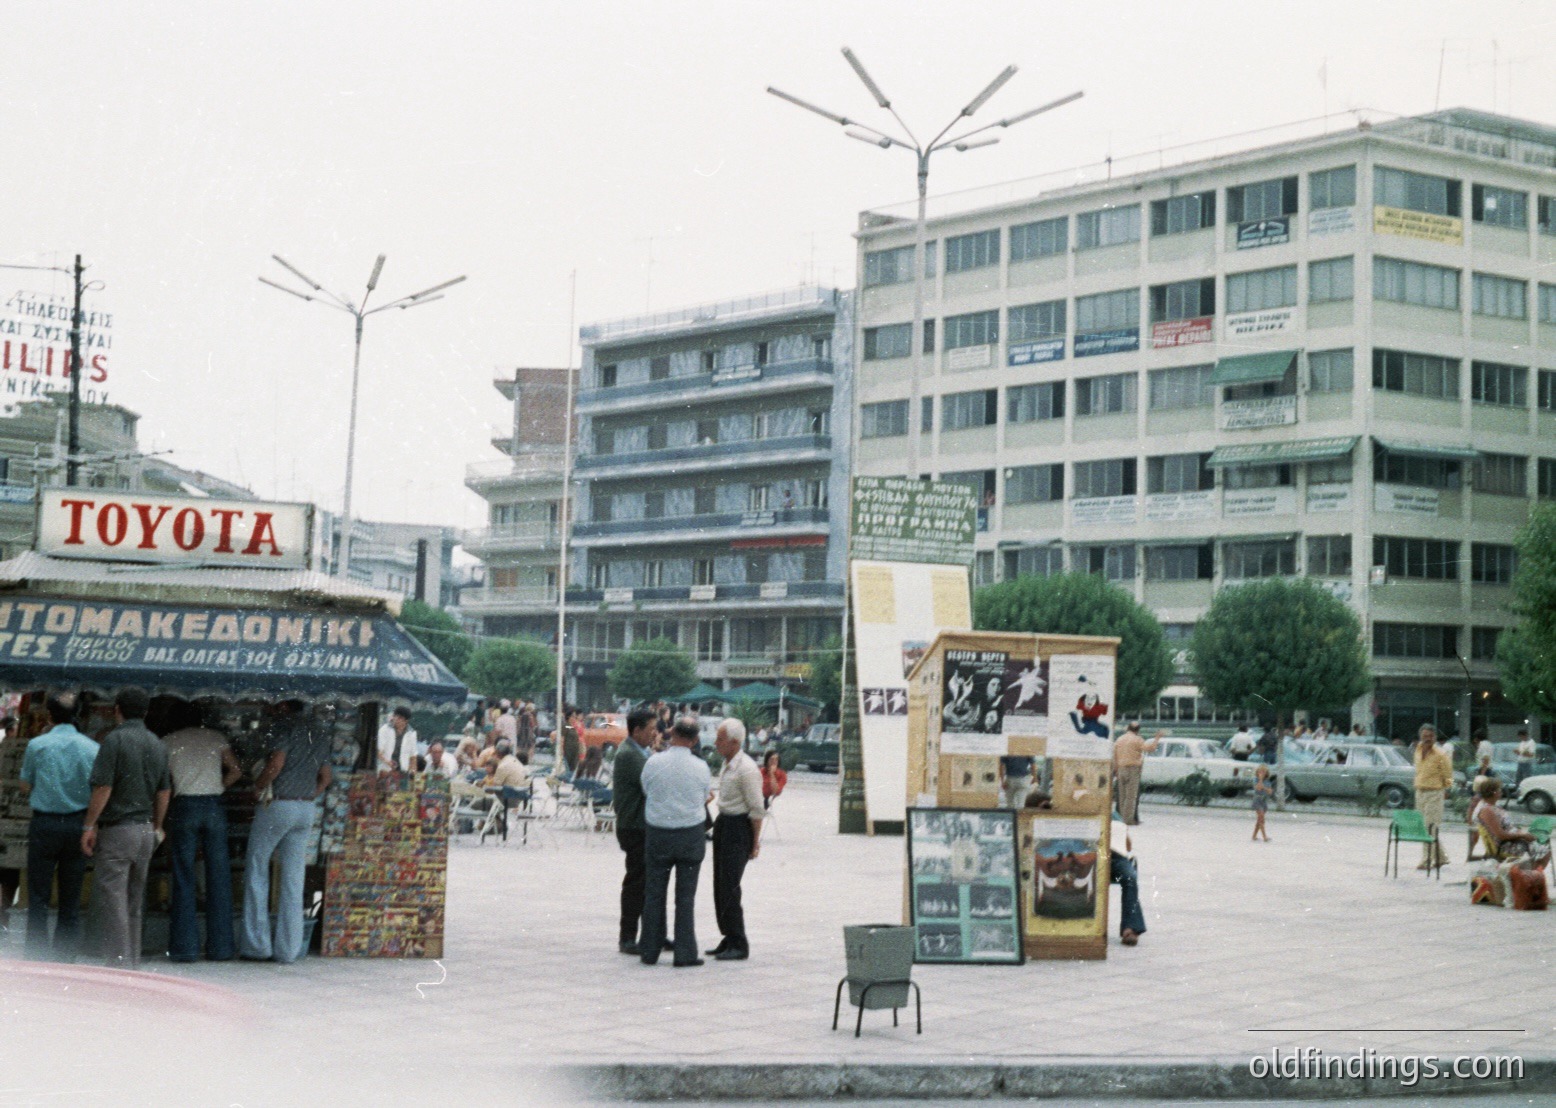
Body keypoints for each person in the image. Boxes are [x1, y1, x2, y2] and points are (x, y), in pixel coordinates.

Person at [81, 689, 171, 968]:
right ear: (145, 712)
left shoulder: (115, 740)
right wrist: (157, 826)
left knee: (113, 900)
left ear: (116, 709)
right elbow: (164, 792)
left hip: (119, 829)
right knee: (134, 901)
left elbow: (103, 787)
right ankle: (131, 963)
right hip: (145, 830)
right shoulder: (157, 743)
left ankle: (118, 966)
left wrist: (89, 825)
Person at [241, 701, 332, 963]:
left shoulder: (284, 728)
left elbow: (276, 764)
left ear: (284, 705)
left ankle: (257, 946)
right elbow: (326, 777)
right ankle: (289, 949)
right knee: (294, 879)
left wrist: (258, 787)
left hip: (278, 804)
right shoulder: (320, 733)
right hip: (305, 808)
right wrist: (307, 796)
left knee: (258, 868)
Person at [18, 693, 98, 959]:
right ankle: (64, 957)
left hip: (44, 824)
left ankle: (36, 954)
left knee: (38, 895)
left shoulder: (37, 745)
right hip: (78, 824)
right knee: (70, 896)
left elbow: (25, 785)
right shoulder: (91, 747)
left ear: (49, 716)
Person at [162, 702, 241, 963]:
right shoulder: (216, 737)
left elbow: (165, 781)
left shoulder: (169, 740)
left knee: (184, 875)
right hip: (214, 805)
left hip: (185, 805)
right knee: (218, 875)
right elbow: (236, 770)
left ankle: (185, 949)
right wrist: (220, 785)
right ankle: (222, 948)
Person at [638, 717, 712, 967]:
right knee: (686, 896)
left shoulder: (653, 762)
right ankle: (685, 952)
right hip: (690, 834)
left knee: (654, 893)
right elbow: (704, 796)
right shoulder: (701, 766)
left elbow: (646, 790)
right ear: (694, 740)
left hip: (659, 832)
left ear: (672, 734)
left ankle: (649, 949)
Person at [708, 719, 764, 962]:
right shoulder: (728, 763)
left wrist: (754, 842)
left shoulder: (746, 769)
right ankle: (728, 935)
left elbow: (757, 809)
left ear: (734, 742)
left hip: (739, 827)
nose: (716, 743)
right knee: (719, 884)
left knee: (730, 885)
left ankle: (739, 942)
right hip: (723, 823)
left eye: (720, 739)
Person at [612, 708, 656, 954]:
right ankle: (627, 937)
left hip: (642, 825)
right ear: (637, 730)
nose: (654, 734)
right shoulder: (630, 755)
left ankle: (652, 933)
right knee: (636, 884)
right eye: (650, 730)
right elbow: (653, 782)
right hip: (635, 826)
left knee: (648, 883)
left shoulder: (640, 751)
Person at [1413, 723, 1452, 871]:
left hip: (1434, 793)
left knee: (1430, 827)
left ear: (1435, 737)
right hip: (1419, 792)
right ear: (1420, 737)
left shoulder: (1441, 754)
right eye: (1424, 736)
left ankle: (1427, 860)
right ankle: (1441, 858)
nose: (1427, 739)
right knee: (1424, 827)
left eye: (1430, 736)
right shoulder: (1417, 749)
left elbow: (1449, 774)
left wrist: (1447, 790)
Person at [1112, 724, 1163, 826]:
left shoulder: (1119, 739)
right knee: (1131, 796)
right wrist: (1157, 738)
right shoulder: (1138, 740)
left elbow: (1115, 755)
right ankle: (1128, 820)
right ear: (1138, 730)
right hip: (1133, 769)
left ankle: (1121, 818)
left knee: (1122, 796)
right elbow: (1150, 748)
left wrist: (1116, 770)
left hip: (1121, 768)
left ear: (1127, 728)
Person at [1110, 813, 1146, 946]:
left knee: (1130, 878)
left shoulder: (1114, 815)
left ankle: (1130, 927)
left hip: (1116, 857)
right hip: (1091, 856)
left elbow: (1128, 847)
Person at [376, 707, 417, 773]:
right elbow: (378, 751)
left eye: (400, 718)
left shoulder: (412, 733)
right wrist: (388, 762)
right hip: (385, 769)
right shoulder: (384, 729)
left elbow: (413, 756)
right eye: (395, 716)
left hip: (403, 770)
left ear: (406, 721)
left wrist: (413, 771)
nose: (396, 719)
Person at [1250, 764, 1272, 843]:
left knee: (1259, 819)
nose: (1262, 773)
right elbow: (1258, 788)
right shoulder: (1256, 780)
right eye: (1260, 771)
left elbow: (1270, 791)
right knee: (1261, 817)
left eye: (1264, 772)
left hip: (1264, 800)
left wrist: (1264, 787)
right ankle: (1264, 836)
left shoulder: (1268, 781)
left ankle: (1254, 835)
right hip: (1257, 800)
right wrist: (1260, 779)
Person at [559, 708, 583, 775]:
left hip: (574, 751)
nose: (575, 718)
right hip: (568, 751)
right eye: (573, 716)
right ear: (568, 717)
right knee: (567, 767)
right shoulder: (566, 726)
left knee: (574, 767)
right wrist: (561, 750)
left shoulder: (573, 726)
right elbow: (562, 738)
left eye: (575, 716)